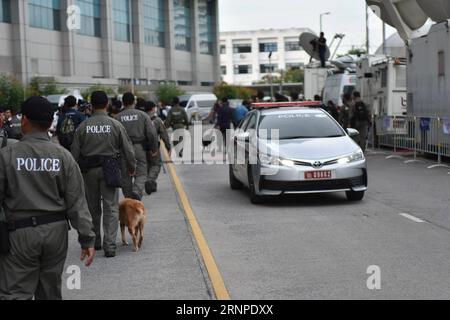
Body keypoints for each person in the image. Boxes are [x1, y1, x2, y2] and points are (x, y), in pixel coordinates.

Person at [0, 96, 95, 300]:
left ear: (24, 120)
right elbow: (77, 202)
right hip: (56, 233)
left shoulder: (7, 155)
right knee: (50, 292)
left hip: (18, 234)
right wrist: (87, 238)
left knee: (15, 293)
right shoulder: (63, 156)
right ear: (51, 122)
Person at [71, 91, 136, 258]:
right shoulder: (115, 125)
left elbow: (74, 154)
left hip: (89, 171)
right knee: (111, 208)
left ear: (91, 105)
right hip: (110, 169)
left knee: (92, 208)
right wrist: (131, 166)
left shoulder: (83, 126)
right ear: (107, 104)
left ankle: (96, 242)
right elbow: (127, 148)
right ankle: (110, 246)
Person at [115, 92, 158, 201]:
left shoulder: (117, 118)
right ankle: (137, 191)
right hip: (139, 148)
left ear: (123, 103)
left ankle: (129, 198)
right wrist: (153, 148)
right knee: (142, 173)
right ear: (134, 102)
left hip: (123, 149)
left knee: (126, 176)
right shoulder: (143, 115)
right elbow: (152, 134)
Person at [144, 101, 171, 194]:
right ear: (152, 109)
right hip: (154, 148)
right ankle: (150, 180)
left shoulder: (141, 119)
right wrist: (168, 147)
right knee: (156, 165)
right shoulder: (157, 120)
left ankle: (152, 185)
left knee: (147, 165)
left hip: (141, 147)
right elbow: (164, 135)